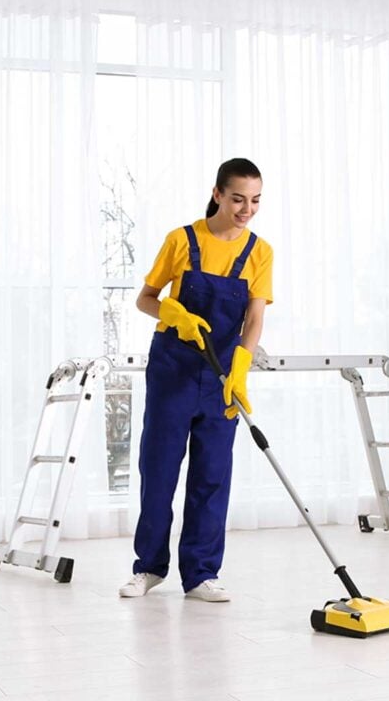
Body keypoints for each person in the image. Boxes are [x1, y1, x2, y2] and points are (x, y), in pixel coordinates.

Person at [119, 158, 273, 601]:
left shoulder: (260, 252)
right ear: (218, 193)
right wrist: (172, 312)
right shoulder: (181, 240)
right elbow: (145, 299)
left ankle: (201, 574)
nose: (247, 209)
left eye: (256, 200)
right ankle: (148, 567)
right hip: (173, 370)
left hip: (222, 374)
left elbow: (255, 318)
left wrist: (240, 369)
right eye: (239, 198)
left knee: (212, 475)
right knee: (160, 470)